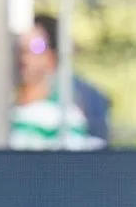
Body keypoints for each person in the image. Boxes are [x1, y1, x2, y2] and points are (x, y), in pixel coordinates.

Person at [11, 15, 106, 150]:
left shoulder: (65, 118)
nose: (23, 54)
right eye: (19, 45)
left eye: (36, 46)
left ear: (52, 57)